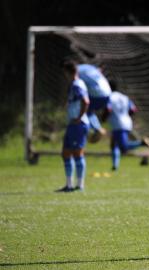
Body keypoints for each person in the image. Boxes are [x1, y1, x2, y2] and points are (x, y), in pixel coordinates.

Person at [102, 84, 149, 171]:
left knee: (124, 147)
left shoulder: (110, 97)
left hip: (117, 124)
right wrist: (125, 116)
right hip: (126, 122)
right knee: (114, 145)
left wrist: (103, 118)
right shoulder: (124, 97)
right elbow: (133, 109)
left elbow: (108, 109)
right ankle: (115, 166)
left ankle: (141, 143)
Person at [57, 60, 90, 192]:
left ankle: (79, 185)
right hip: (73, 124)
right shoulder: (74, 85)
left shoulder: (77, 85)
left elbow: (86, 101)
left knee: (77, 153)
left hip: (79, 124)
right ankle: (69, 185)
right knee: (65, 153)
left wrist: (79, 117)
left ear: (67, 71)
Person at [78, 63, 112, 140]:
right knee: (89, 112)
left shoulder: (77, 70)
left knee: (83, 110)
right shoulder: (91, 68)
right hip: (108, 94)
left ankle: (92, 130)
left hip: (97, 94)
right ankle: (96, 128)